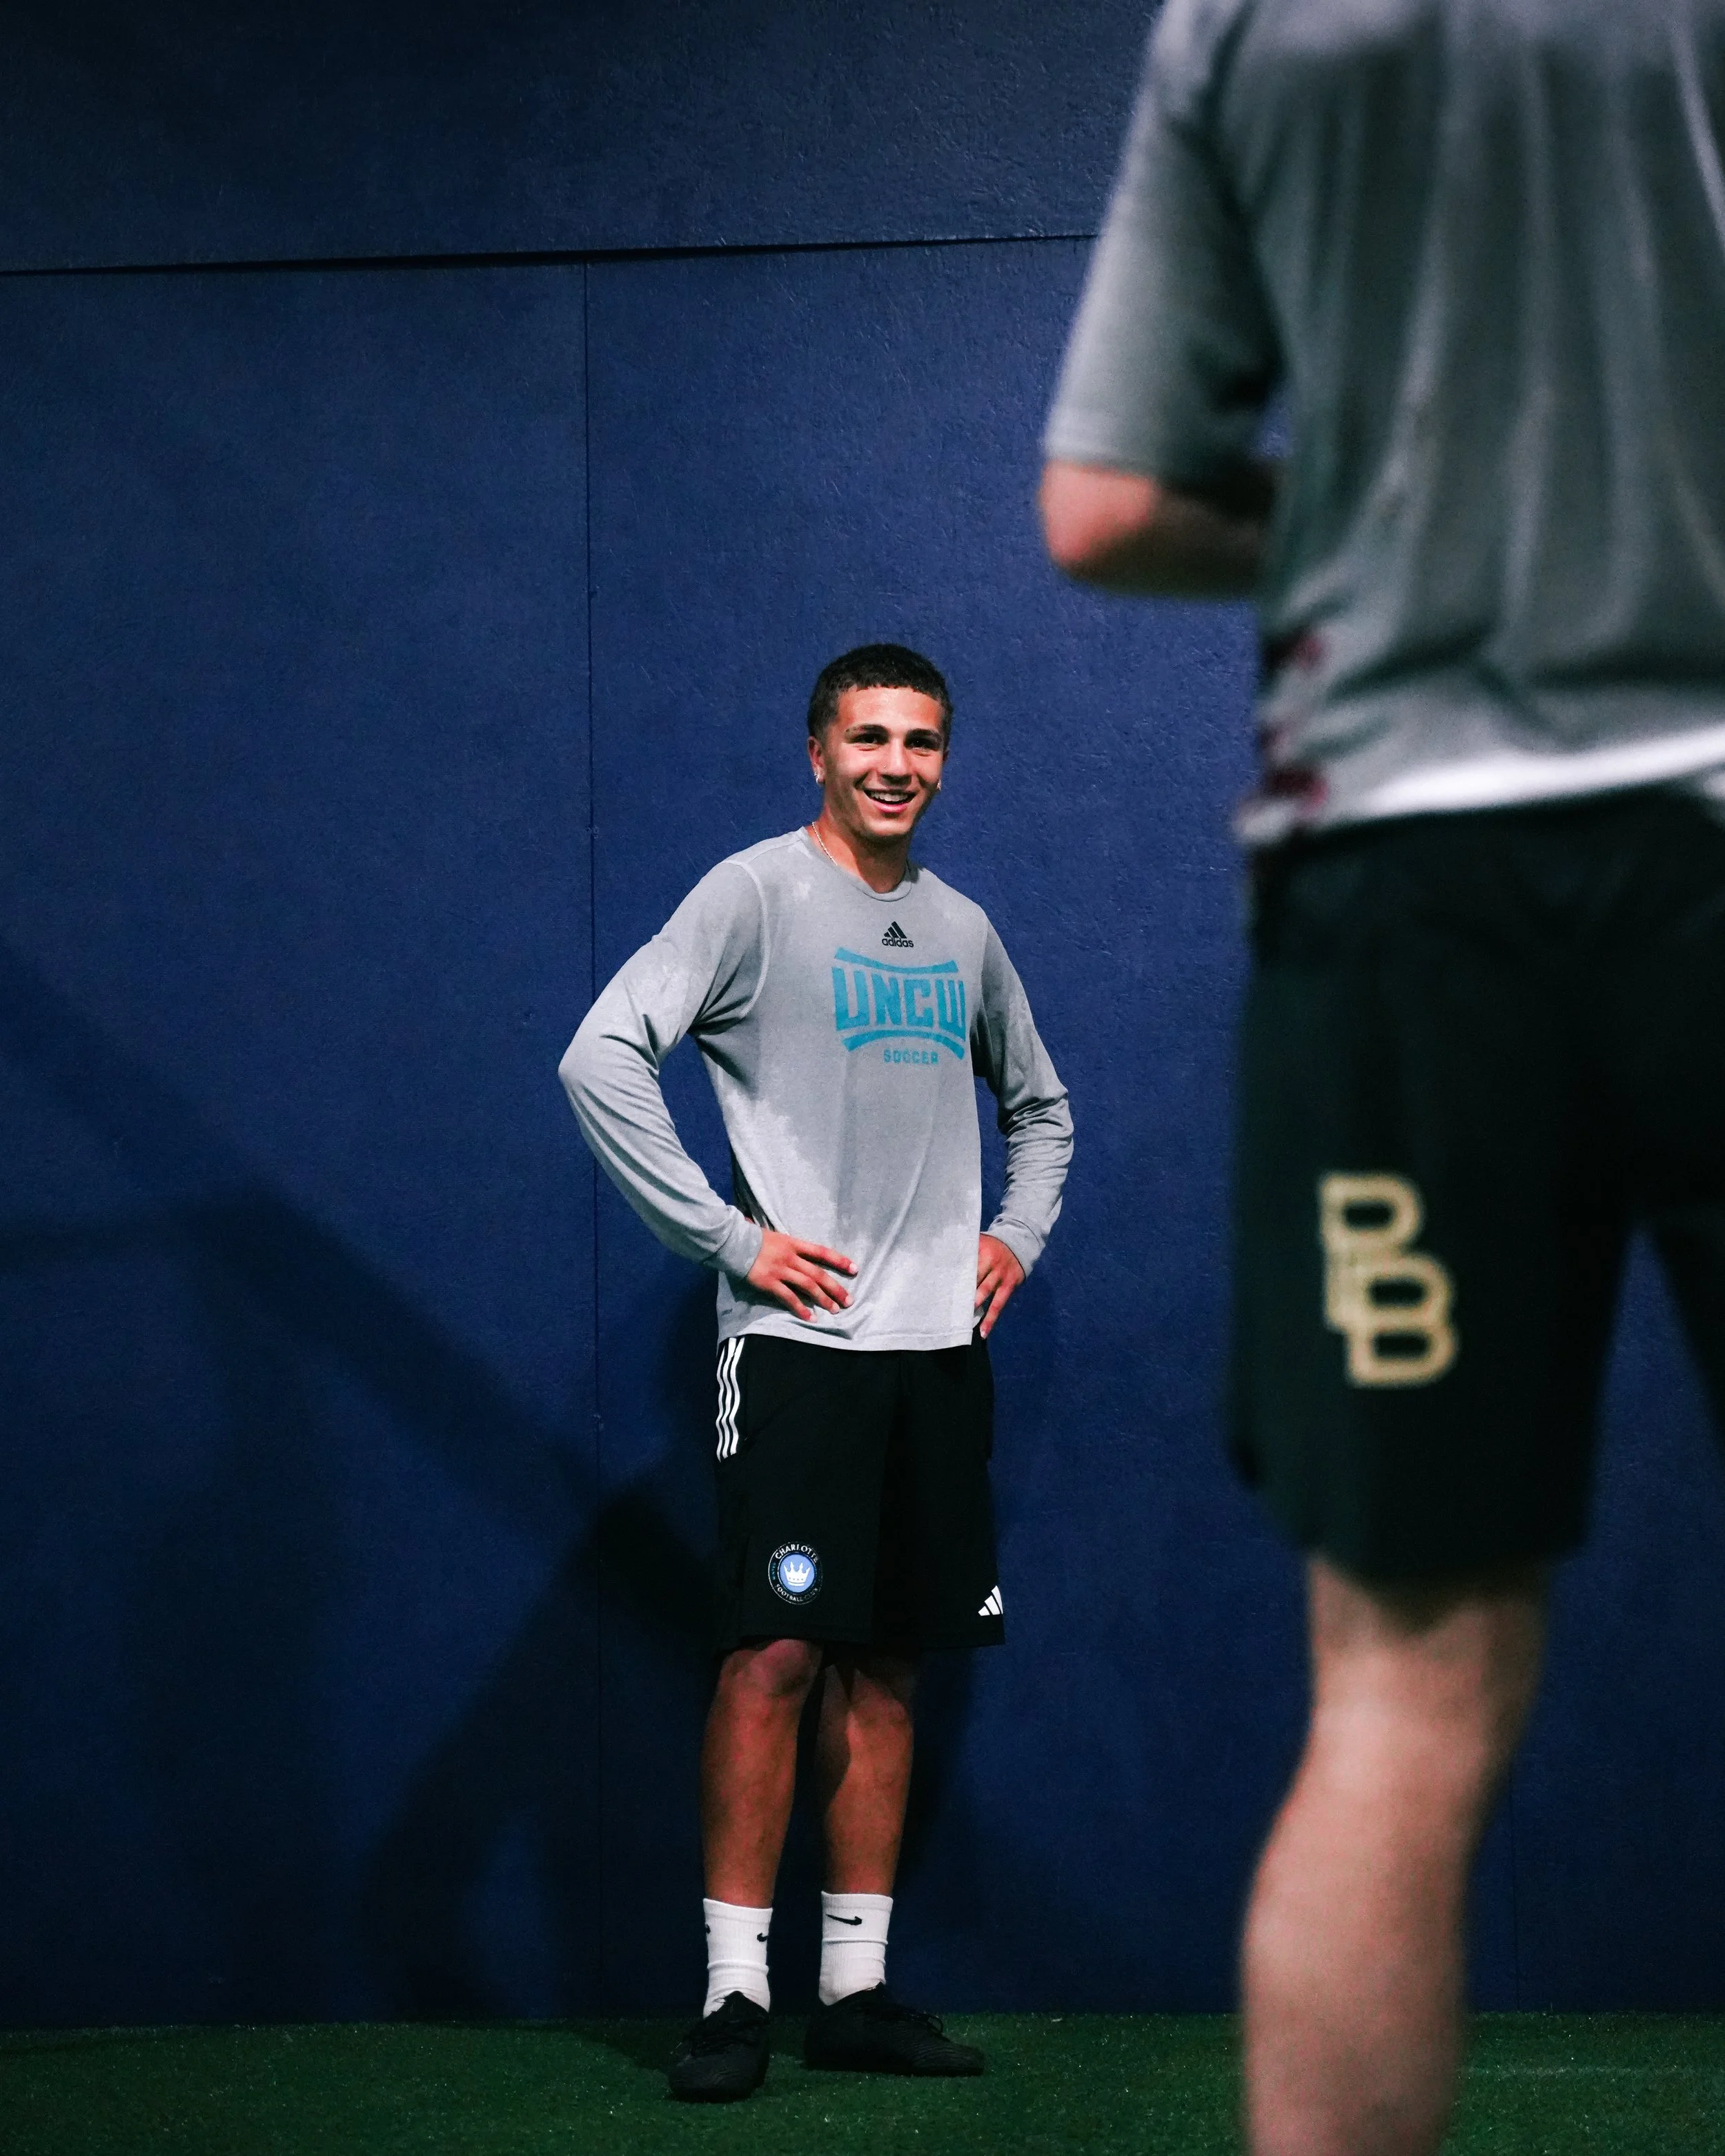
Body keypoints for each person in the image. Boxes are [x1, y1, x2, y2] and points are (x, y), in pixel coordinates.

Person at [1040, 4, 1725, 2153]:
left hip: (1399, 901)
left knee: (1403, 1697)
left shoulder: (1238, 20)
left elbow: (1102, 505)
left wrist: (1381, 525)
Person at [560, 642, 1072, 2102]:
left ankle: (854, 1986)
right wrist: (725, 1234)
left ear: (943, 758)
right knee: (772, 1656)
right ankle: (734, 1993)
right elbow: (601, 1055)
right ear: (815, 752)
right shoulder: (753, 895)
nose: (894, 763)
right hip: (799, 1354)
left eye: (919, 741)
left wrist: (1011, 1236)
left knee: (887, 1662)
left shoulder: (963, 930)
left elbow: (1040, 1108)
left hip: (934, 1355)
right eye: (867, 738)